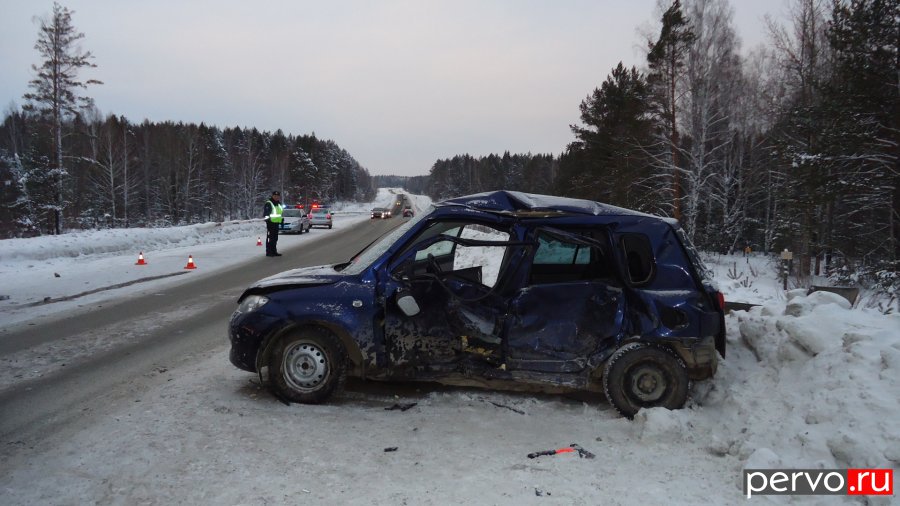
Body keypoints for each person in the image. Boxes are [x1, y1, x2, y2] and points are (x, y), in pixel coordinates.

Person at [264, 191, 284, 257]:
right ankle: (269, 252)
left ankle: (274, 251)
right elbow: (266, 214)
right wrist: (268, 222)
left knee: (275, 238)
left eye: (277, 196)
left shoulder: (278, 204)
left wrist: (281, 220)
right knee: (270, 238)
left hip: (276, 223)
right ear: (272, 196)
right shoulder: (269, 203)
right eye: (275, 196)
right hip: (271, 223)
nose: (276, 197)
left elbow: (280, 214)